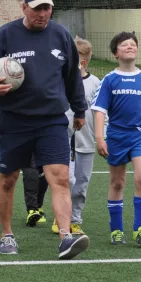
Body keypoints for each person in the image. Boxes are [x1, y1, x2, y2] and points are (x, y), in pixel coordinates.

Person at [0, 0, 90, 260]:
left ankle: (65, 238)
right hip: (14, 120)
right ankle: (7, 235)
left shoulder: (61, 35)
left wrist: (80, 110)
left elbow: (72, 77)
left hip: (51, 121)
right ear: (24, 8)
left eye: (47, 8)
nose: (42, 13)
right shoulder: (6, 35)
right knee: (9, 179)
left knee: (59, 177)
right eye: (36, 8)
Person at [91, 32, 141, 247]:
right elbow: (99, 110)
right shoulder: (110, 79)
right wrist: (100, 138)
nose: (130, 46)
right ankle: (116, 230)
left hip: (140, 136)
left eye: (133, 44)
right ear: (116, 53)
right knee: (117, 182)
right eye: (124, 44)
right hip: (116, 137)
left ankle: (140, 229)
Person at [54, 36, 101, 235]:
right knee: (67, 180)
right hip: (64, 138)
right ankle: (61, 218)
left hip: (87, 140)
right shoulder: (60, 81)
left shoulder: (96, 83)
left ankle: (75, 219)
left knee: (81, 184)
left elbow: (101, 112)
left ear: (81, 62)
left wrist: (101, 135)